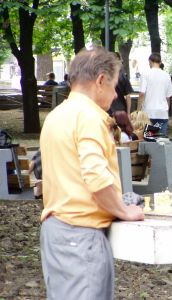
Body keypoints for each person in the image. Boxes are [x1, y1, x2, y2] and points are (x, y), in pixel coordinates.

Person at [39, 46, 144, 300]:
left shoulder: (57, 115)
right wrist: (123, 210)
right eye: (114, 86)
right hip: (80, 236)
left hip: (58, 233)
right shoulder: (88, 117)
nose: (115, 93)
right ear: (100, 81)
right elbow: (96, 177)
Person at [138, 53, 172, 136]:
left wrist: (138, 110)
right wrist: (167, 110)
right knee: (161, 140)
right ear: (160, 62)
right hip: (162, 113)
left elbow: (142, 94)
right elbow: (168, 97)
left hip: (149, 113)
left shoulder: (146, 74)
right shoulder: (166, 76)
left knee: (150, 139)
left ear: (150, 61)